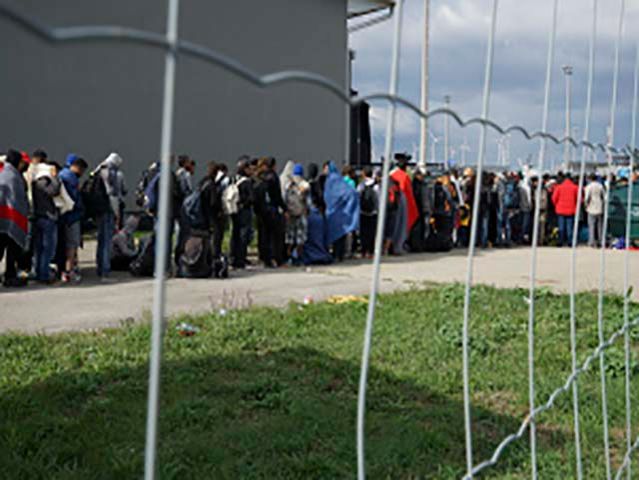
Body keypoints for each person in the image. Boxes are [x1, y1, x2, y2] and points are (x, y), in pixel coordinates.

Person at [0, 150, 30, 287]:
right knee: (12, 251)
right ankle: (10, 277)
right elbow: (18, 200)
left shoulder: (3, 172)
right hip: (10, 219)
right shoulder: (13, 176)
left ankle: (9, 276)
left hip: (3, 218)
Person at [96, 152, 126, 280]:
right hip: (110, 208)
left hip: (99, 208)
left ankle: (99, 267)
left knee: (101, 239)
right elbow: (118, 192)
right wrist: (117, 213)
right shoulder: (115, 174)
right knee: (107, 241)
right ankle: (105, 271)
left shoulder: (99, 170)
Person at [59, 155, 88, 282]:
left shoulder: (62, 174)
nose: (82, 173)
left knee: (65, 244)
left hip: (63, 215)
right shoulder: (71, 178)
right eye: (82, 170)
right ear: (77, 167)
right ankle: (69, 271)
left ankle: (66, 269)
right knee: (72, 244)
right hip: (72, 215)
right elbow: (75, 198)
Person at [32, 159, 61, 283]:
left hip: (39, 217)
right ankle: (44, 274)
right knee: (47, 248)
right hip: (47, 216)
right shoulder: (43, 181)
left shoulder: (34, 181)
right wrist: (55, 178)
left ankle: (39, 272)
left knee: (39, 248)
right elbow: (54, 191)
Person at [324, 162, 359, 262]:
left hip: (332, 212)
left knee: (333, 235)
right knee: (341, 234)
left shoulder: (331, 180)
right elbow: (350, 192)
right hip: (341, 212)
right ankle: (340, 255)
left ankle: (335, 254)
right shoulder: (339, 180)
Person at [283, 163, 310, 265]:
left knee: (290, 237)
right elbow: (307, 197)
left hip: (290, 213)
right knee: (300, 238)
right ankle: (298, 257)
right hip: (301, 213)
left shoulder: (288, 185)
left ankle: (289, 257)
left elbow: (285, 199)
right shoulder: (304, 184)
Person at [229, 157, 253, 269]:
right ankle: (241, 260)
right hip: (245, 211)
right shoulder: (247, 182)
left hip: (234, 210)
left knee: (235, 234)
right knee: (243, 235)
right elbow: (251, 198)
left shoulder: (233, 179)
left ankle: (232, 257)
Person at [552, 172, 579, 247]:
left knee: (561, 227)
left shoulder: (559, 187)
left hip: (560, 209)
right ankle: (570, 242)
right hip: (571, 210)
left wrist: (556, 205)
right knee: (569, 227)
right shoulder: (575, 187)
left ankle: (560, 242)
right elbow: (579, 199)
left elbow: (554, 198)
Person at [358, 166, 378, 258]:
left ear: (364, 173)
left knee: (363, 233)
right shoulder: (376, 185)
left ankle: (363, 251)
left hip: (363, 212)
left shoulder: (361, 185)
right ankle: (371, 252)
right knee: (372, 233)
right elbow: (378, 199)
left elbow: (357, 196)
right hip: (373, 212)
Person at [584, 173, 605, 248]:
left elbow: (587, 198)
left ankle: (591, 242)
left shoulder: (588, 187)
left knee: (591, 226)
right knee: (600, 226)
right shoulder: (600, 186)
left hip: (591, 208)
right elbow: (604, 197)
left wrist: (585, 205)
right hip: (599, 207)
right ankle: (601, 241)